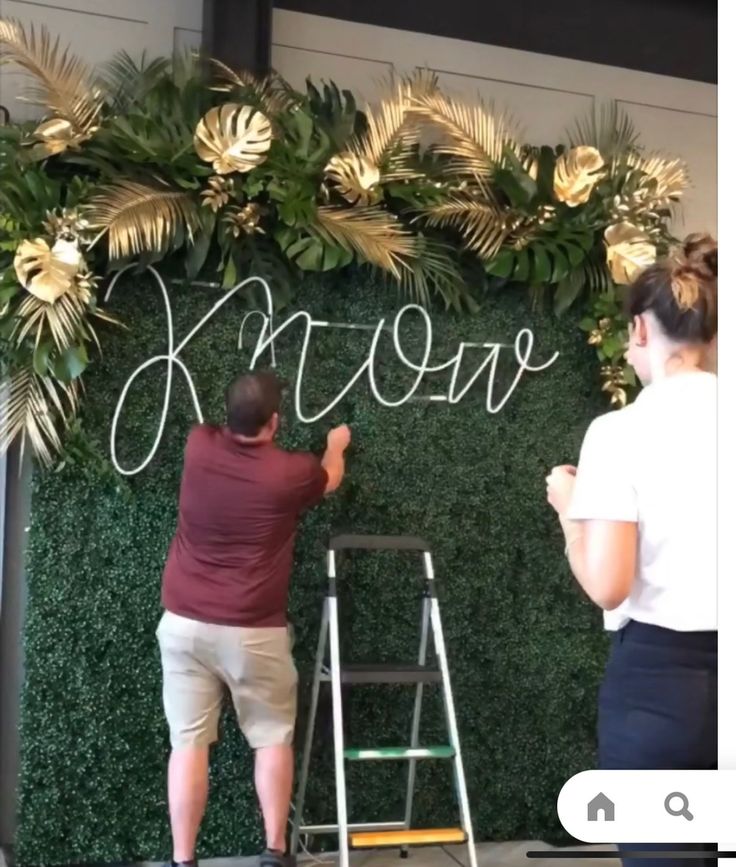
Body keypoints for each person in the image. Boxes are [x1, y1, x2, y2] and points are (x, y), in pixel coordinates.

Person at [546, 234, 717, 867]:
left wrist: (571, 511)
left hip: (661, 683)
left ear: (641, 329)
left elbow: (608, 584)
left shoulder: (619, 433)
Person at [156, 370, 351, 867]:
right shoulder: (291, 473)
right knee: (270, 737)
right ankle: (274, 852)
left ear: (225, 417)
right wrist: (336, 444)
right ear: (275, 422)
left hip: (182, 624)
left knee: (188, 745)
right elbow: (330, 480)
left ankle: (183, 860)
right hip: (251, 630)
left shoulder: (198, 445)